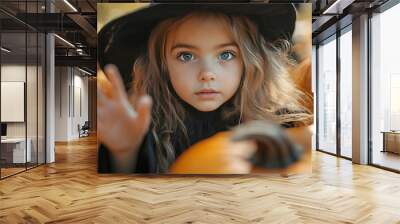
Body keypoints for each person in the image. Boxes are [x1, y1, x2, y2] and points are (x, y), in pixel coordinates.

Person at [97, 3, 312, 173]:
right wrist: (125, 152)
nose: (207, 74)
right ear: (161, 65)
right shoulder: (146, 124)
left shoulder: (281, 122)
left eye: (226, 54)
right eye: (186, 55)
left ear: (251, 60)